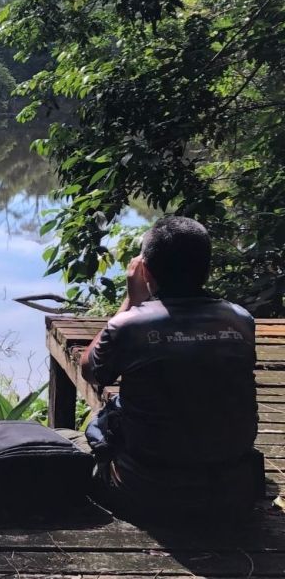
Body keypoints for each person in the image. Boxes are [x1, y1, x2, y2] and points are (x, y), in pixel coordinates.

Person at [77, 216, 261, 521]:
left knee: (100, 423)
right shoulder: (240, 319)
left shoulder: (130, 324)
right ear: (207, 268)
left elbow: (89, 369)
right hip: (233, 493)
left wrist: (131, 301)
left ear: (144, 270)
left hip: (146, 495)